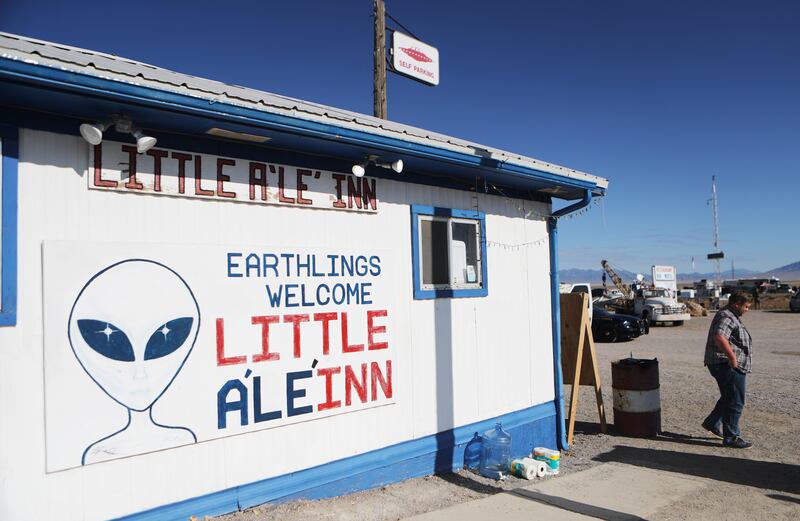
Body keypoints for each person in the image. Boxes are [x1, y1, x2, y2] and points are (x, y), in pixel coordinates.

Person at [702, 291, 753, 448]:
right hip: (725, 364)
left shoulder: (730, 315)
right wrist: (732, 358)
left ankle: (712, 422)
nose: (747, 310)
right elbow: (719, 336)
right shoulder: (727, 316)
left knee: (729, 396)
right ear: (736, 304)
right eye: (745, 306)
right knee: (735, 400)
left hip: (724, 363)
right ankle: (731, 437)